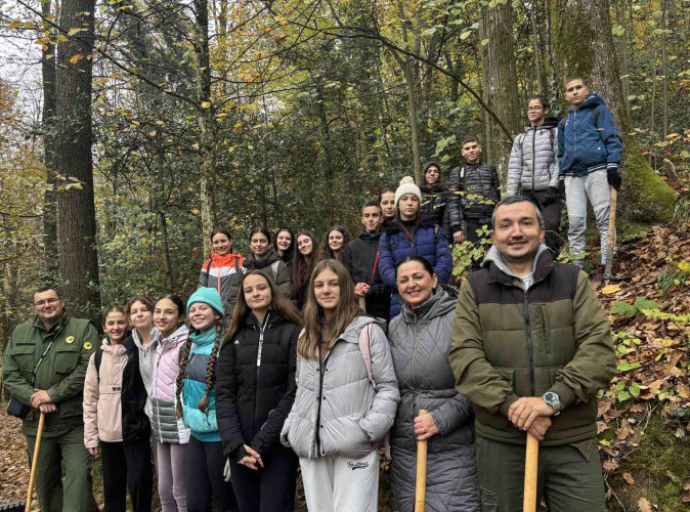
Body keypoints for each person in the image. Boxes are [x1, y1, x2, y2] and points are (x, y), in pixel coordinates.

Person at [449, 196, 616, 511]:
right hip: (502, 444)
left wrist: (550, 401)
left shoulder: (572, 281)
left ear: (541, 231)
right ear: (494, 235)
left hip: (570, 440)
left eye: (526, 222)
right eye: (506, 225)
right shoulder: (475, 286)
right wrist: (515, 408)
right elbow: (465, 358)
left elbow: (600, 351)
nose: (516, 232)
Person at [280, 260, 400, 512]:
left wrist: (368, 431)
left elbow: (387, 387)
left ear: (345, 287)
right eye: (319, 285)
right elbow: (302, 389)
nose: (326, 290)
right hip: (313, 447)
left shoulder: (368, 331)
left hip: (353, 447)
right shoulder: (305, 335)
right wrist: (293, 429)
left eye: (333, 284)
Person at [388, 257, 479, 512]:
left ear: (434, 279)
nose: (412, 284)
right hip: (406, 452)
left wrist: (440, 419)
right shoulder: (394, 327)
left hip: (453, 450)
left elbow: (478, 383)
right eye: (404, 280)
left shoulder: (459, 318)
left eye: (418, 276)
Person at [2, 285, 98, 512]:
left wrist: (53, 394)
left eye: (51, 300)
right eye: (40, 302)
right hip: (37, 426)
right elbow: (9, 373)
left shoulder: (83, 329)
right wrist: (34, 397)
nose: (46, 305)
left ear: (62, 302)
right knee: (45, 485)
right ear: (35, 307)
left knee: (79, 480)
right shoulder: (20, 333)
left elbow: (88, 368)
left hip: (74, 424)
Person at [216, 271, 302, 512]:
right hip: (241, 447)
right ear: (243, 297)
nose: (256, 293)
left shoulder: (293, 331)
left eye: (261, 287)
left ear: (272, 290)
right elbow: (223, 394)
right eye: (249, 290)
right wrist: (235, 445)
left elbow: (294, 391)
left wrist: (263, 441)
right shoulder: (234, 336)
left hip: (277, 446)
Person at [83, 306, 153, 512]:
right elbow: (90, 398)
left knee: (140, 483)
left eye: (120, 322)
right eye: (111, 323)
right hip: (108, 434)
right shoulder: (97, 358)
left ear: (129, 323)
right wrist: (91, 434)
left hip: (136, 432)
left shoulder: (139, 352)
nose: (116, 327)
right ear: (104, 327)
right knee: (113, 489)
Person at [177, 288, 238, 512]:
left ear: (217, 314)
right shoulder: (189, 345)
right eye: (192, 309)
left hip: (220, 438)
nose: (197, 313)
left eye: (203, 308)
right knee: (195, 504)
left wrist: (236, 446)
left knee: (227, 503)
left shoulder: (229, 346)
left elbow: (237, 397)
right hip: (196, 435)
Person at [558, 76, 623, 272]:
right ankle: (577, 267)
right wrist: (561, 177)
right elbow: (560, 153)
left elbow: (612, 138)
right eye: (571, 89)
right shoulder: (564, 123)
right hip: (572, 176)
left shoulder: (598, 111)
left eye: (579, 87)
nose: (575, 91)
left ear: (586, 90)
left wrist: (612, 166)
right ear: (566, 95)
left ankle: (607, 260)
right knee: (576, 222)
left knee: (604, 217)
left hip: (597, 171)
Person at [379, 176, 453, 318]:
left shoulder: (434, 230)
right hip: (400, 303)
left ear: (419, 204)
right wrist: (405, 284)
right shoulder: (388, 235)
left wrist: (429, 284)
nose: (409, 203)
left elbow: (445, 261)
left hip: (434, 301)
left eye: (413, 199)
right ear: (397, 204)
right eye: (404, 199)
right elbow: (385, 268)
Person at [508, 95, 563, 255]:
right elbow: (514, 168)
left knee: (551, 225)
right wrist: (511, 196)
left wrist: (553, 186)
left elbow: (559, 161)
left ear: (545, 110)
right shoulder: (520, 139)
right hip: (526, 193)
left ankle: (552, 259)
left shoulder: (554, 134)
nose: (532, 111)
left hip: (548, 191)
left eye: (536, 107)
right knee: (527, 229)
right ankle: (531, 262)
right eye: (530, 108)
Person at [151, 295, 191, 511]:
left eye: (168, 312)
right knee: (164, 490)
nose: (162, 316)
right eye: (158, 311)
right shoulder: (158, 343)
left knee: (180, 490)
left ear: (180, 316)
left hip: (179, 423)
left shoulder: (185, 344)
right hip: (160, 421)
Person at [447, 135, 501, 254]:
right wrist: (456, 228)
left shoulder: (490, 170)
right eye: (467, 148)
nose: (471, 150)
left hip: (492, 222)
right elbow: (453, 202)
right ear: (463, 152)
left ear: (479, 148)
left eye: (474, 147)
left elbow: (498, 197)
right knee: (475, 260)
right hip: (472, 224)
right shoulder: (458, 173)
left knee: (497, 258)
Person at [342, 200, 391, 322]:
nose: (370, 219)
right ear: (362, 219)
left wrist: (372, 290)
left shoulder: (388, 243)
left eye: (374, 215)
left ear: (381, 219)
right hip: (356, 307)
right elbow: (344, 277)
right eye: (367, 215)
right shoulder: (352, 247)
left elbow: (393, 277)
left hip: (383, 308)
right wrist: (356, 288)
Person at [227, 228, 292, 314]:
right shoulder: (243, 268)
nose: (258, 244)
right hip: (248, 321)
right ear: (250, 244)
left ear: (269, 244)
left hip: (274, 318)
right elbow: (234, 300)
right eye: (255, 241)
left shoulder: (278, 266)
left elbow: (285, 297)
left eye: (262, 241)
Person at [199, 228, 245, 313]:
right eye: (216, 242)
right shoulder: (208, 264)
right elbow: (201, 290)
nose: (220, 245)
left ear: (230, 241)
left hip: (236, 314)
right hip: (213, 315)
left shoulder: (242, 263)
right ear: (212, 245)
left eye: (223, 241)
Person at [419, 162, 455, 241]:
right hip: (420, 234)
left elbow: (447, 219)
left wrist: (445, 238)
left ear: (439, 175)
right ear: (424, 175)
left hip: (439, 234)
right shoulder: (418, 192)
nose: (432, 174)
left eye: (435, 171)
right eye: (429, 171)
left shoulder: (445, 193)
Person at [290, 231, 318, 310]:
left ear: (313, 242)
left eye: (306, 241)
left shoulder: (321, 264)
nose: (303, 245)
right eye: (300, 244)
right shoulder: (294, 267)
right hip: (299, 312)